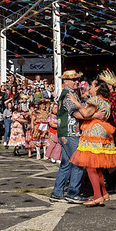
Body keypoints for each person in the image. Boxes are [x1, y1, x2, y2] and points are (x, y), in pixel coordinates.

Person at [68, 74, 116, 207]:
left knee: (91, 166)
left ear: (97, 88)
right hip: (102, 133)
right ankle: (103, 193)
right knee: (97, 167)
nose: (90, 87)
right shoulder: (106, 101)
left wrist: (76, 102)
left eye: (92, 85)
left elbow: (85, 114)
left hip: (93, 134)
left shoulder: (96, 99)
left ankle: (97, 196)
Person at [50, 70, 86, 204]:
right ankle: (72, 193)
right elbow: (76, 114)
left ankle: (57, 192)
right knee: (78, 162)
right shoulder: (68, 95)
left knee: (66, 164)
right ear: (65, 81)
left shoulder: (67, 94)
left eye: (77, 79)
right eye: (73, 80)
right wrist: (91, 116)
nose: (76, 81)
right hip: (71, 133)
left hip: (64, 133)